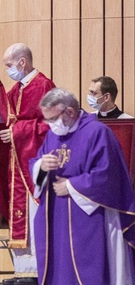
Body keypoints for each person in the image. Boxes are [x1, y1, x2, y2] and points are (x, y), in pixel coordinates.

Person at [31, 88, 135, 284]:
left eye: (52, 119)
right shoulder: (53, 136)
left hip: (90, 215)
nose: (50, 125)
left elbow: (108, 175)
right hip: (57, 215)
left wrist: (71, 185)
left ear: (69, 112)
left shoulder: (97, 132)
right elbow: (37, 161)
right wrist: (41, 167)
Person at [0, 43, 54, 285]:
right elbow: (0, 116)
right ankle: (23, 270)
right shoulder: (17, 89)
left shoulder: (43, 85)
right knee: (19, 215)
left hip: (34, 164)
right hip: (17, 164)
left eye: (9, 65)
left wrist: (18, 132)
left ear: (23, 62)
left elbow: (52, 125)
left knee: (34, 216)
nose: (9, 69)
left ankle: (37, 270)